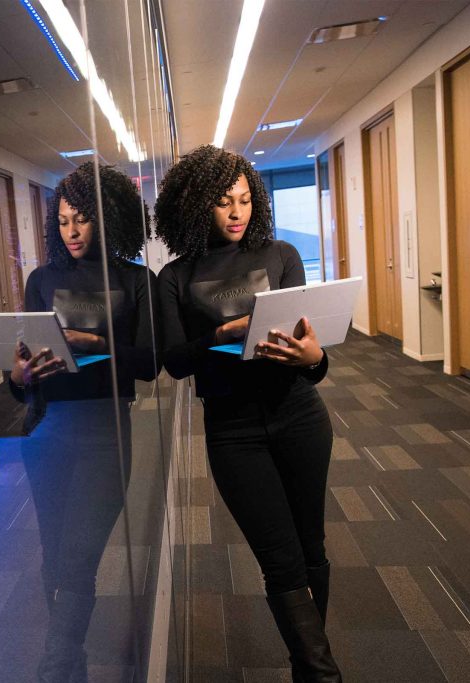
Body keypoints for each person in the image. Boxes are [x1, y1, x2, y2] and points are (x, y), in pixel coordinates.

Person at [155, 145, 341, 682]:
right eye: (223, 203)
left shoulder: (280, 255)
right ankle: (324, 674)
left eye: (243, 201)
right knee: (280, 560)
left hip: (301, 415)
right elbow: (173, 362)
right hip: (233, 431)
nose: (237, 213)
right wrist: (221, 334)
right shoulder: (176, 276)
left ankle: (310, 668)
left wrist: (317, 357)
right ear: (196, 206)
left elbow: (311, 359)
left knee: (311, 548)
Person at [8, 161, 158, 682]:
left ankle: (53, 667)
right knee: (55, 561)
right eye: (65, 220)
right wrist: (20, 374)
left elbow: (151, 364)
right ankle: (71, 665)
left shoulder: (136, 280)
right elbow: (22, 374)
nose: (72, 231)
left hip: (105, 431)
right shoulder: (41, 279)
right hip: (48, 431)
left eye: (83, 219)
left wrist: (99, 345)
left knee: (78, 557)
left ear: (109, 218)